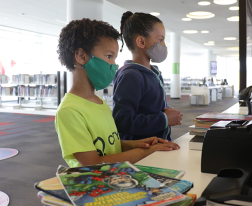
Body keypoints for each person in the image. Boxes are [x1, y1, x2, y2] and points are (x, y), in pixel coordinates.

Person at [55, 18, 179, 168]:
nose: (113, 65)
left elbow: (109, 143)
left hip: (115, 178)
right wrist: (146, 152)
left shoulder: (98, 102)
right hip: (96, 184)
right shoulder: (70, 110)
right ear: (81, 56)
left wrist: (136, 144)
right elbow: (93, 163)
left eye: (114, 58)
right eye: (109, 56)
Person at [112, 11, 183, 141]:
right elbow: (122, 121)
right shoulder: (131, 76)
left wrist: (164, 115)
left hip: (157, 147)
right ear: (141, 42)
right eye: (160, 40)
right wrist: (164, 119)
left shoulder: (153, 73)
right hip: (140, 153)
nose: (164, 45)